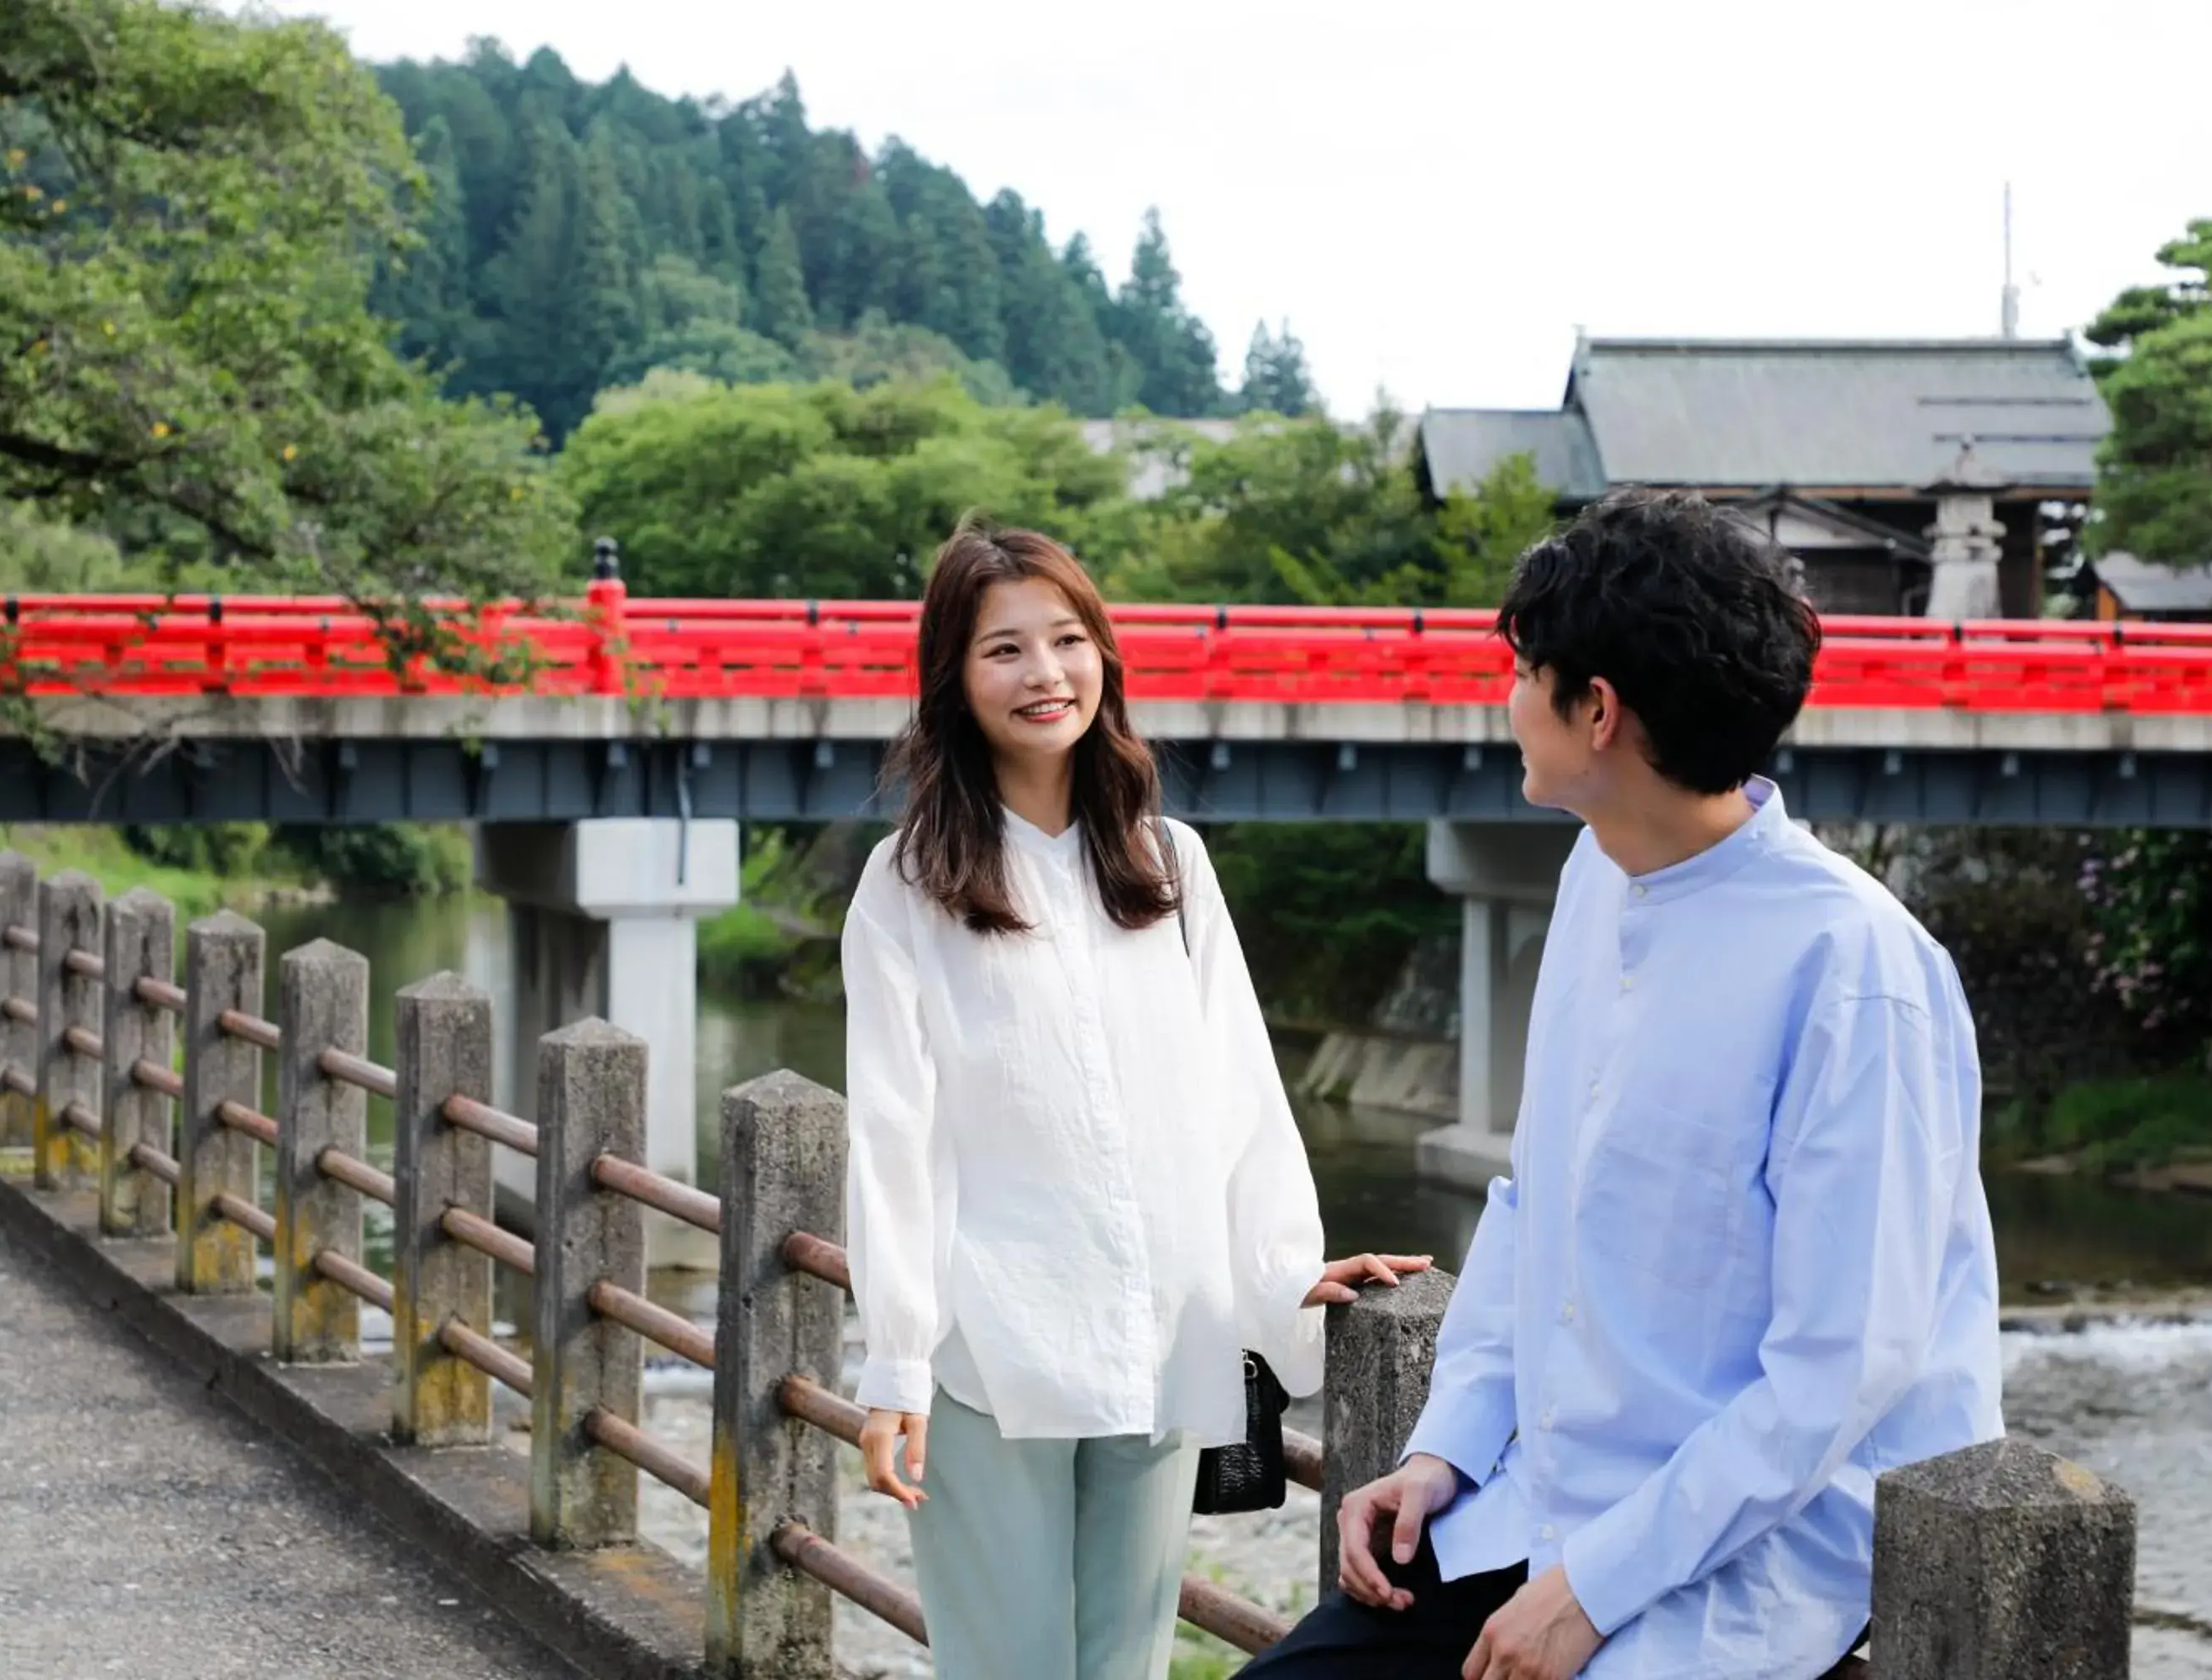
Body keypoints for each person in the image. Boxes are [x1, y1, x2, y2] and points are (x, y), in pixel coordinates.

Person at [1241, 490, 2004, 1680]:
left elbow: (1835, 1374)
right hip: (1539, 1498)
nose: (1505, 697)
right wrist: (1446, 1449)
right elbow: (1531, 1205)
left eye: (1522, 669)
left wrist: (1590, 1590)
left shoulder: (1857, 972)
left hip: (1739, 1555)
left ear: (1596, 710)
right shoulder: (1600, 875)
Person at [843, 518, 1429, 1680]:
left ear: (1104, 657)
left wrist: (1272, 1274)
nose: (1044, 673)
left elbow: (1240, 1093)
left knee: (1126, 1666)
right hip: (990, 1344)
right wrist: (897, 1366)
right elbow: (892, 1135)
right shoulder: (908, 883)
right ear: (954, 679)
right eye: (1003, 649)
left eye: (1067, 639)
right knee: (1010, 1667)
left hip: (1159, 1330)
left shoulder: (1169, 863)